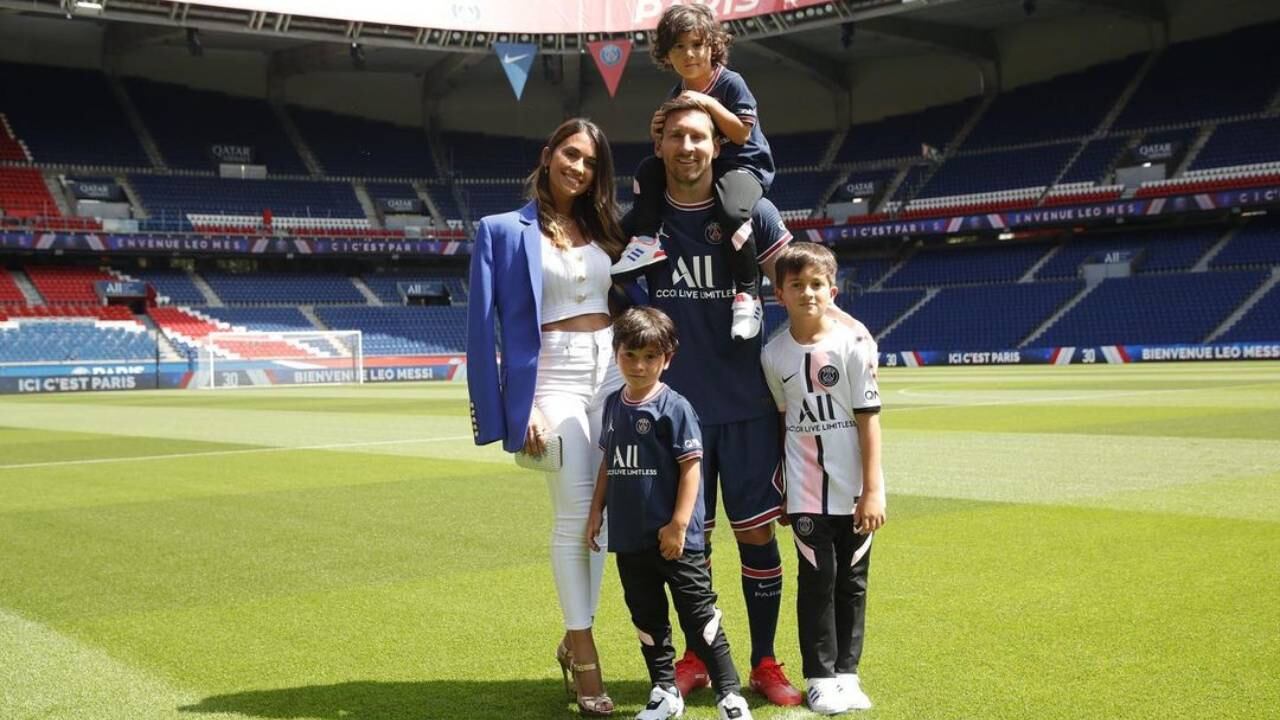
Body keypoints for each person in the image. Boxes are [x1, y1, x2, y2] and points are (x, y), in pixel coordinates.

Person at [627, 95, 804, 708]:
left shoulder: (756, 211)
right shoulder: (645, 224)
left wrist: (826, 343)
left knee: (757, 538)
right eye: (676, 136)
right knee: (685, 547)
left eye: (699, 137)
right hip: (678, 418)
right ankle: (698, 658)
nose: (688, 147)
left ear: (716, 144)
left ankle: (763, 662)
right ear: (661, 146)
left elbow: (799, 284)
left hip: (749, 409)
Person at [467, 117, 637, 716]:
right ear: (547, 155)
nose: (579, 169)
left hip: (614, 369)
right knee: (574, 516)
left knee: (608, 517)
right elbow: (481, 329)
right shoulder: (500, 231)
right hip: (554, 378)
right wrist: (521, 406)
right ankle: (587, 656)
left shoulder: (606, 226)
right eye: (570, 155)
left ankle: (571, 638)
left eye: (591, 162)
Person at [586, 306, 754, 720]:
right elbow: (608, 463)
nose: (639, 365)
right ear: (616, 353)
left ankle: (730, 695)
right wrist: (596, 513)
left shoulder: (675, 407)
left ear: (667, 359)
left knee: (700, 615)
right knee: (646, 616)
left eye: (650, 357)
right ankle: (664, 692)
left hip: (675, 539)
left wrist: (679, 524)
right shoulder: (612, 405)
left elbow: (692, 468)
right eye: (630, 355)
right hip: (629, 536)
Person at [761, 242, 886, 714]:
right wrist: (783, 492)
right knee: (816, 581)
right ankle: (819, 677)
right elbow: (781, 423)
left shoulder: (853, 346)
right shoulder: (773, 355)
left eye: (816, 285)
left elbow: (868, 419)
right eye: (797, 285)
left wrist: (873, 490)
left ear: (831, 291)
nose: (807, 293)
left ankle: (847, 675)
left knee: (852, 581)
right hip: (805, 491)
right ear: (780, 294)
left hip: (854, 492)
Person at [612, 3, 775, 342]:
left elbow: (742, 133)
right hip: (707, 170)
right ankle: (645, 239)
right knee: (648, 169)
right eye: (679, 47)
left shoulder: (731, 83)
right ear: (666, 55)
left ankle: (747, 293)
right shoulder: (676, 93)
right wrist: (658, 127)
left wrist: (708, 104)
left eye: (697, 44)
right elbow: (669, 143)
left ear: (713, 46)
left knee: (732, 210)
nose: (689, 54)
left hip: (744, 167)